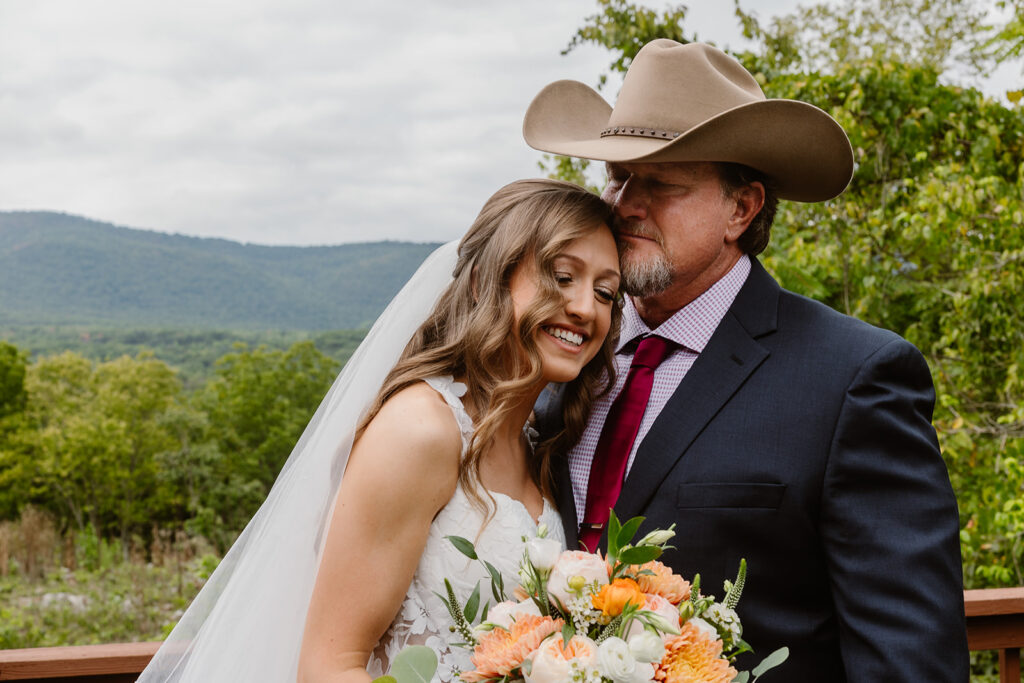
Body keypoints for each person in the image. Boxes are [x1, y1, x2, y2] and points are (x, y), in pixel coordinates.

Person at [524, 40, 969, 681]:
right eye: (618, 177)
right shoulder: (559, 363)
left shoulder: (854, 379)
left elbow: (910, 663)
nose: (624, 204)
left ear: (742, 207)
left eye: (661, 183)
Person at [137, 179, 621, 682]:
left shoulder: (536, 446)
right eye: (562, 277)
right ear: (483, 282)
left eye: (605, 292)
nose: (586, 308)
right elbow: (328, 665)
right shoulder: (422, 429)